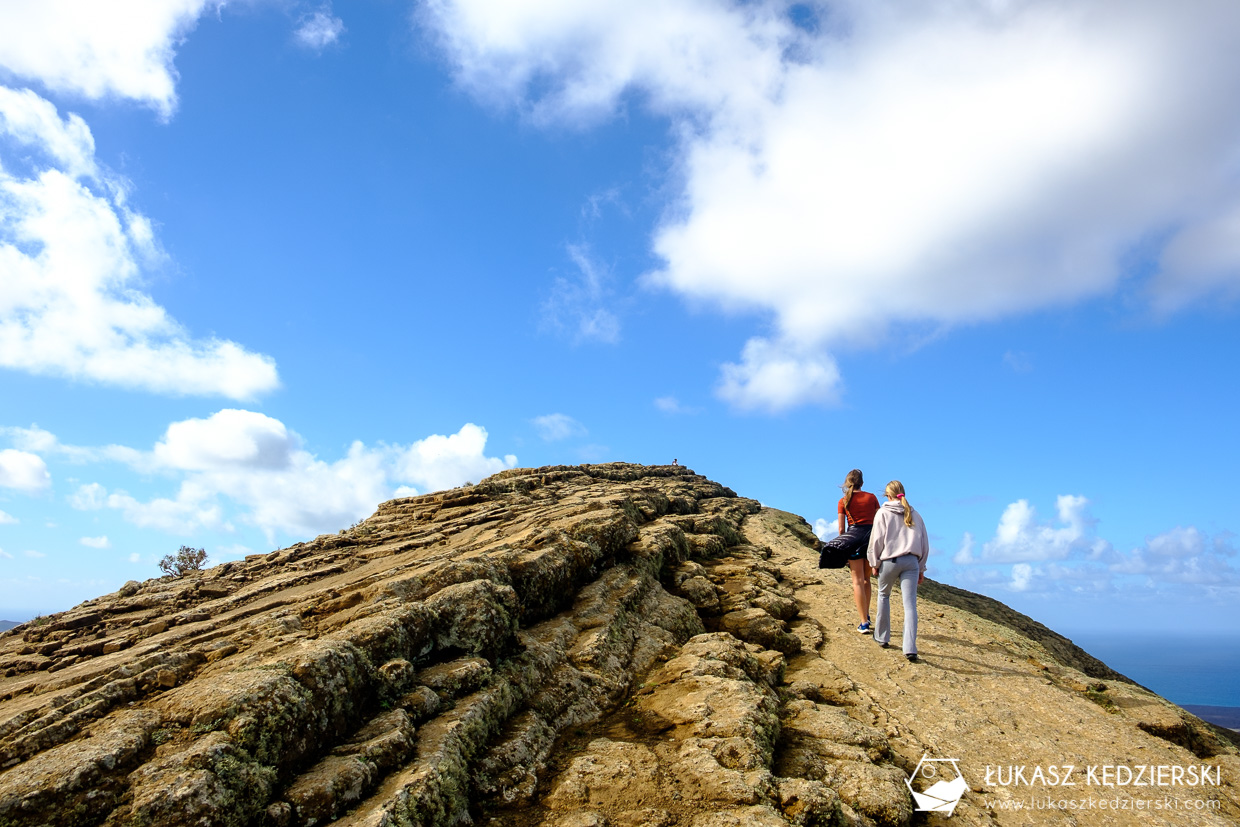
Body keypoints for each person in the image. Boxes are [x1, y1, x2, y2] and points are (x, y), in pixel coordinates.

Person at [867, 480, 929, 663]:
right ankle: (910, 648)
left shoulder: (883, 513)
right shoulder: (915, 514)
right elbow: (925, 543)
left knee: (883, 595)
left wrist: (874, 562)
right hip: (911, 561)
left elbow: (876, 540)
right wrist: (922, 567)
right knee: (910, 605)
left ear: (888, 495)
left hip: (890, 561)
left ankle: (882, 637)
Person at [821, 469, 880, 633]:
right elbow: (878, 521)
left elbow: (841, 529)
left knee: (857, 581)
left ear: (847, 482)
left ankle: (863, 622)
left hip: (853, 538)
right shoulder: (872, 498)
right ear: (862, 482)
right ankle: (866, 615)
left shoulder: (843, 500)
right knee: (867, 579)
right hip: (870, 538)